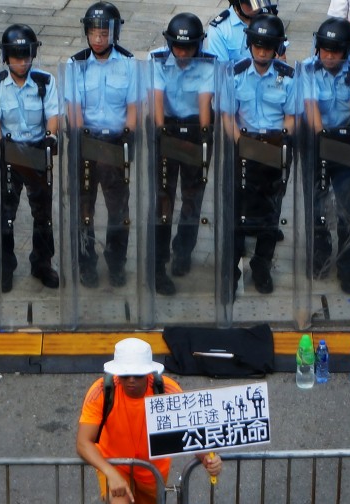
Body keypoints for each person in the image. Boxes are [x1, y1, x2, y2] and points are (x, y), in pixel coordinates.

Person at [76, 338, 222, 504]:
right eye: (124, 375)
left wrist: (208, 458)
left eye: (138, 375)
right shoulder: (101, 391)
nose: (131, 380)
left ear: (148, 373)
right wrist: (110, 473)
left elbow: (189, 430)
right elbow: (83, 442)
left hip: (152, 472)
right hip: (114, 464)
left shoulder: (168, 390)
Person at [222, 14, 296, 295]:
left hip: (276, 146)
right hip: (243, 143)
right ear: (250, 44)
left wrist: (278, 143)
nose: (262, 52)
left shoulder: (288, 78)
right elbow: (228, 116)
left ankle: (262, 263)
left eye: (268, 47)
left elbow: (292, 117)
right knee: (237, 207)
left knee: (271, 208)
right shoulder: (236, 73)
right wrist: (244, 145)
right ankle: (232, 264)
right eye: (257, 46)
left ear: (276, 49)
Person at [66, 2, 137, 289]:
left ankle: (116, 263)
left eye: (103, 33)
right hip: (86, 143)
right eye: (93, 32)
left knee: (118, 210)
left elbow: (133, 107)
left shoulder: (129, 63)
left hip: (115, 145)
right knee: (84, 209)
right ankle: (86, 263)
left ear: (114, 33)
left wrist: (127, 138)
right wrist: (83, 138)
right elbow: (73, 108)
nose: (98, 39)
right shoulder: (76, 64)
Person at [0, 24, 60, 293]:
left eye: (26, 56)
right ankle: (6, 268)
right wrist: (0, 150)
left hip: (37, 153)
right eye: (16, 57)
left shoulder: (45, 81)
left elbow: (54, 115)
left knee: (43, 215)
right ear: (6, 58)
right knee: (5, 216)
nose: (22, 62)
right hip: (10, 155)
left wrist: (51, 136)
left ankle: (42, 264)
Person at [148, 13, 216, 295]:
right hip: (167, 129)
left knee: (192, 197)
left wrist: (198, 143)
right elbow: (157, 104)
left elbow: (204, 110)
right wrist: (165, 139)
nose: (183, 53)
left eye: (189, 48)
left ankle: (183, 251)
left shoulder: (207, 64)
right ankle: (158, 264)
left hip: (194, 130)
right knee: (163, 201)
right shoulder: (157, 60)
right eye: (178, 47)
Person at [302, 17, 350, 294]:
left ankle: (348, 268)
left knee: (348, 207)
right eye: (324, 50)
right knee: (317, 207)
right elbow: (311, 108)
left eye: (335, 51)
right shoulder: (307, 68)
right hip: (317, 140)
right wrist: (322, 142)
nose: (328, 56)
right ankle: (320, 257)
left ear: (346, 51)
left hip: (346, 140)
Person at [206, 0, 281, 63]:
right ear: (237, 2)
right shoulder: (219, 30)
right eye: (250, 4)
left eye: (259, 2)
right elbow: (221, 71)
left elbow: (280, 53)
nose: (256, 9)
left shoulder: (267, 16)